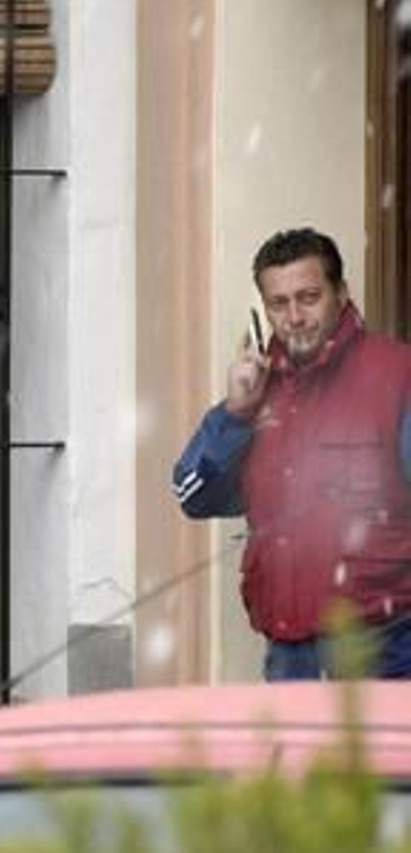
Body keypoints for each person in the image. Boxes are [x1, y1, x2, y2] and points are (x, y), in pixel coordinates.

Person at [173, 226, 411, 680]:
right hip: (289, 656)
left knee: (379, 757)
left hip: (386, 651)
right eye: (279, 304)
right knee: (297, 756)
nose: (295, 317)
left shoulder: (398, 375)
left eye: (309, 297)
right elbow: (193, 495)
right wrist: (235, 413)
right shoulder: (256, 390)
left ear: (341, 294)